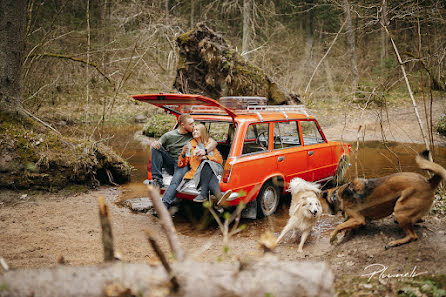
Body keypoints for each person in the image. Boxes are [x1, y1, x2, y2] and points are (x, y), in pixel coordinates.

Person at [150, 114, 217, 210]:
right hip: (171, 162)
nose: (194, 126)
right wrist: (155, 144)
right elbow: (157, 147)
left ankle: (163, 206)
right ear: (182, 125)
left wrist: (205, 151)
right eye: (191, 124)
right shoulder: (169, 135)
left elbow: (214, 142)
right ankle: (157, 179)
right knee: (155, 147)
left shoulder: (194, 134)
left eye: (194, 123)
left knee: (175, 182)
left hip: (184, 164)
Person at [177, 123, 232, 203]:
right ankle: (219, 197)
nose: (194, 132)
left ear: (202, 131)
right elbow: (182, 164)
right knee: (210, 175)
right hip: (199, 171)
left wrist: (206, 157)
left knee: (206, 163)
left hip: (216, 168)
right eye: (193, 130)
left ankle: (203, 194)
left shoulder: (209, 144)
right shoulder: (190, 145)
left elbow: (219, 160)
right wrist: (182, 154)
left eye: (197, 130)